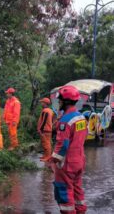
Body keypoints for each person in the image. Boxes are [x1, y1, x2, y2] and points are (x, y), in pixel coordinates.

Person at [48, 85, 87, 213]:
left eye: (60, 101)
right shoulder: (81, 117)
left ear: (65, 102)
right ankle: (81, 211)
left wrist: (53, 160)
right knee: (77, 189)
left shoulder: (65, 121)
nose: (58, 103)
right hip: (79, 160)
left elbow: (62, 145)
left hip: (67, 164)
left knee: (64, 192)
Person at [37, 97, 54, 162]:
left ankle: (48, 157)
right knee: (45, 143)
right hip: (47, 129)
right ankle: (45, 155)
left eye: (42, 102)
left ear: (45, 103)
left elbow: (44, 121)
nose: (41, 103)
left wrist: (40, 129)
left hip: (45, 130)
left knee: (46, 144)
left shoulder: (45, 111)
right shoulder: (50, 110)